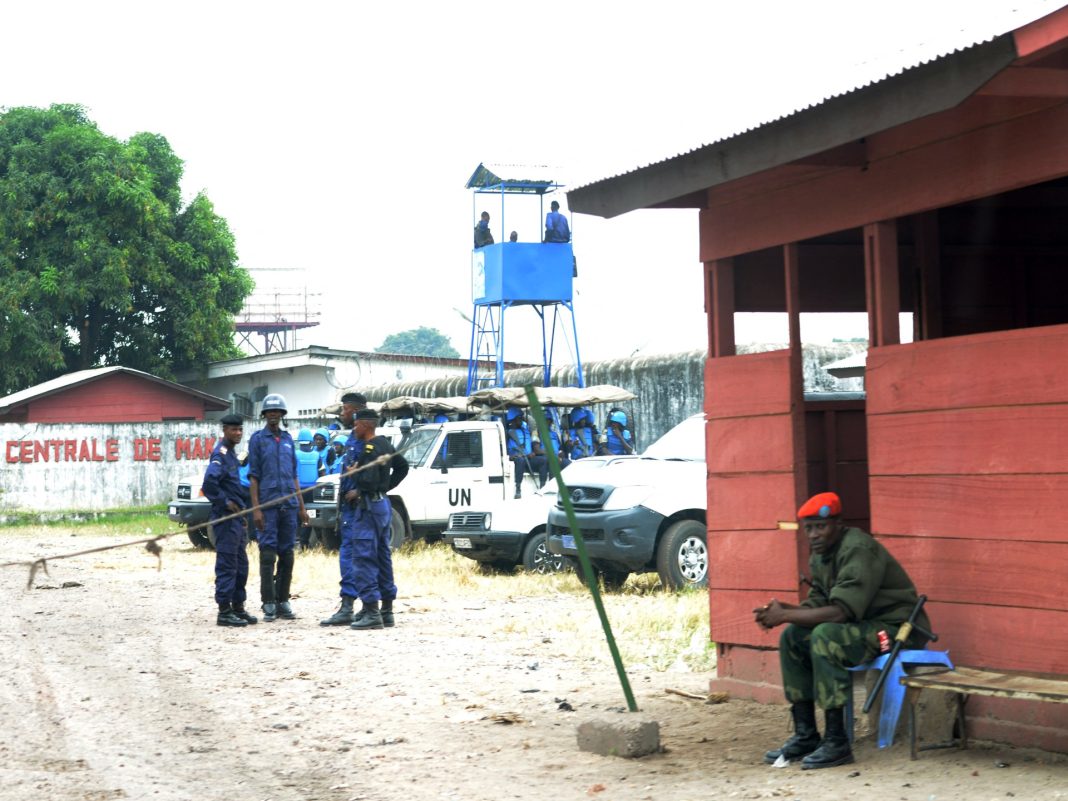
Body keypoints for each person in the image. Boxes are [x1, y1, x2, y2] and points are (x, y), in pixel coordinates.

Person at [754, 492, 932, 770]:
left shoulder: (857, 549)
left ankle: (837, 742)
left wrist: (786, 615)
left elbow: (840, 612)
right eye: (809, 528)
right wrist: (783, 610)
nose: (813, 535)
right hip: (862, 625)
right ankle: (806, 735)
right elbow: (820, 602)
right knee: (793, 636)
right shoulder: (822, 554)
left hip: (897, 630)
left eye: (820, 527)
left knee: (826, 636)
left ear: (838, 524)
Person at [321, 408, 409, 630]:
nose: (354, 428)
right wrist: (385, 487)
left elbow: (368, 481)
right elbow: (402, 467)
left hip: (368, 507)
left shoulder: (370, 448)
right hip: (382, 505)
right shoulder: (385, 444)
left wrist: (356, 478)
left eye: (357, 424)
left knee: (363, 557)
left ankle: (371, 611)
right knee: (382, 556)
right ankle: (386, 611)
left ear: (367, 425)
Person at [248, 393, 309, 622]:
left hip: (290, 506)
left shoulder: (287, 440)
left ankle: (283, 600)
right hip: (268, 506)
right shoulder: (257, 440)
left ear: (282, 415)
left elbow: (294, 476)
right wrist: (256, 509)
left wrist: (301, 507)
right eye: (269, 412)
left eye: (277, 412)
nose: (274, 415)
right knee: (267, 554)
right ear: (264, 415)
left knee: (288, 554)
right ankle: (268, 602)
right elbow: (254, 477)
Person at [202, 413, 255, 628]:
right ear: (224, 430)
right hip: (225, 519)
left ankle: (238, 607)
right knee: (227, 564)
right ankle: (224, 611)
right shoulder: (220, 454)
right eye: (234, 429)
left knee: (241, 564)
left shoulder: (232, 454)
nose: (238, 433)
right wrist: (225, 502)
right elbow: (209, 484)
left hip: (236, 518)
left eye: (240, 429)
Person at [505, 407, 547, 498]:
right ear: (513, 419)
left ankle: (543, 487)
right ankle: (518, 489)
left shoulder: (526, 430)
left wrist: (533, 453)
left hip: (529, 458)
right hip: (517, 460)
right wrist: (512, 456)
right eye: (519, 418)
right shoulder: (507, 433)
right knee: (520, 460)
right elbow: (504, 452)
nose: (522, 419)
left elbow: (533, 445)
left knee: (543, 460)